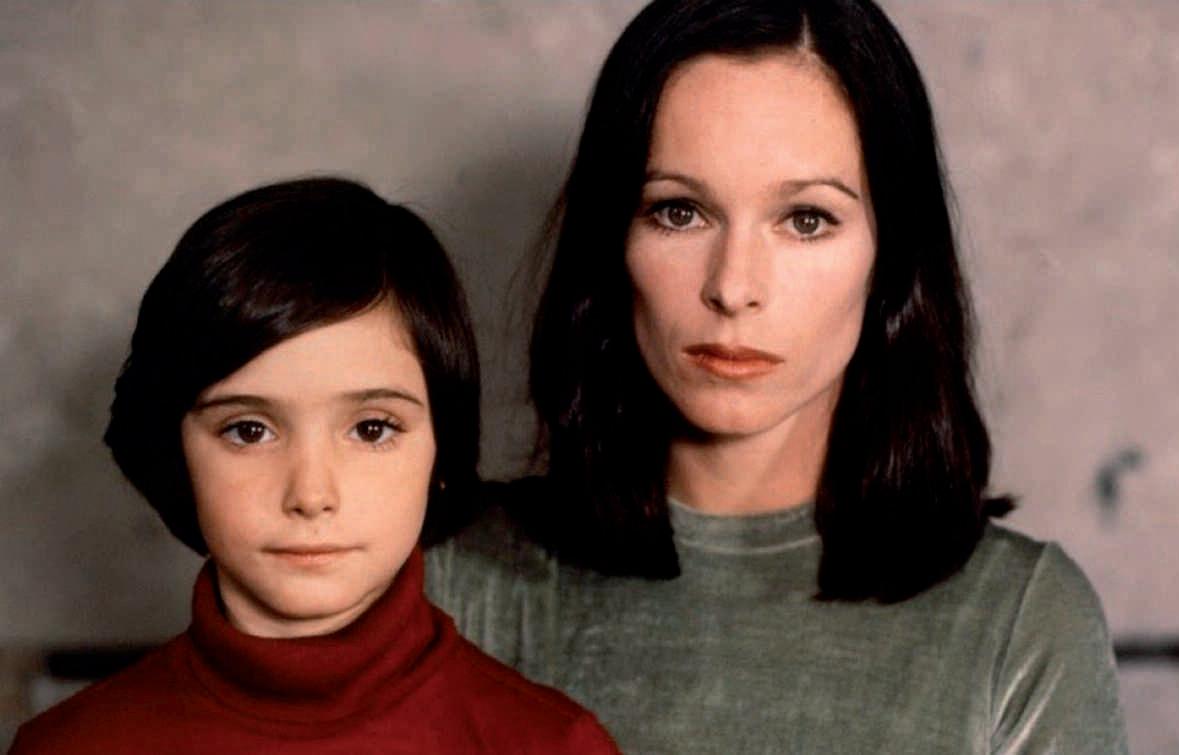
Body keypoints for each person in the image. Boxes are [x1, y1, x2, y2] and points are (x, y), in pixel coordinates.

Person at [424, 1, 1130, 752]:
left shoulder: (1020, 621)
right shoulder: (448, 581)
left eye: (805, 220)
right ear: (612, 239)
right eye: (679, 212)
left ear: (889, 261)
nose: (733, 287)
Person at [10, 178, 619, 753]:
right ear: (176, 452)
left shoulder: (552, 745)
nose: (311, 493)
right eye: (249, 431)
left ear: (442, 447)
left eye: (371, 429)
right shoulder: (66, 747)